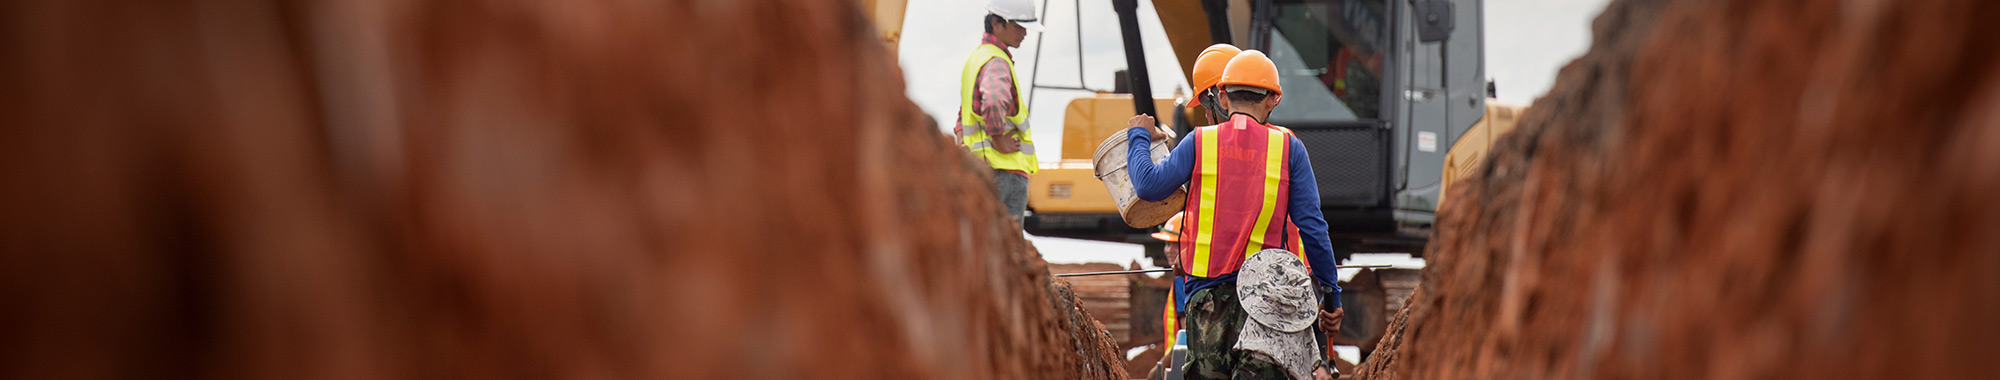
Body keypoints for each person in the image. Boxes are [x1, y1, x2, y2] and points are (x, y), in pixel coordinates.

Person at [1123, 50, 1344, 380]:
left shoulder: (1199, 141)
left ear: (1222, 97)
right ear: (1273, 99)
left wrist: (1139, 136)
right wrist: (1331, 293)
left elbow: (1147, 185)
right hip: (1267, 300)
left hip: (1208, 299)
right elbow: (1312, 228)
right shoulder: (1288, 147)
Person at [958, 0, 1040, 224]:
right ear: (996, 23)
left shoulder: (977, 58)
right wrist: (998, 140)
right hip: (1006, 172)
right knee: (1010, 252)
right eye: (1018, 25)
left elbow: (963, 114)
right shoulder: (996, 62)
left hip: (983, 171)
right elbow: (994, 102)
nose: (1024, 33)